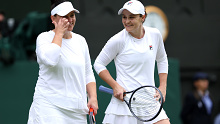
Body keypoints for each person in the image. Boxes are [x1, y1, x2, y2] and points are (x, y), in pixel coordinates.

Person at [93, 0, 170, 124]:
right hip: (124, 106)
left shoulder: (155, 34)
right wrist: (115, 85)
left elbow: (162, 60)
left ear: (143, 17)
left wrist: (163, 86)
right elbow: (98, 64)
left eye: (132, 17)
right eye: (124, 17)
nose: (127, 21)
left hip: (149, 101)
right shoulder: (117, 40)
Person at [27, 0, 98, 123]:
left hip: (77, 109)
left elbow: (88, 72)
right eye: (65, 17)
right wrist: (59, 32)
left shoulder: (81, 41)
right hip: (49, 105)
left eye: (72, 15)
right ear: (53, 19)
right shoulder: (43, 38)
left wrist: (93, 97)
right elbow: (51, 60)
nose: (70, 20)